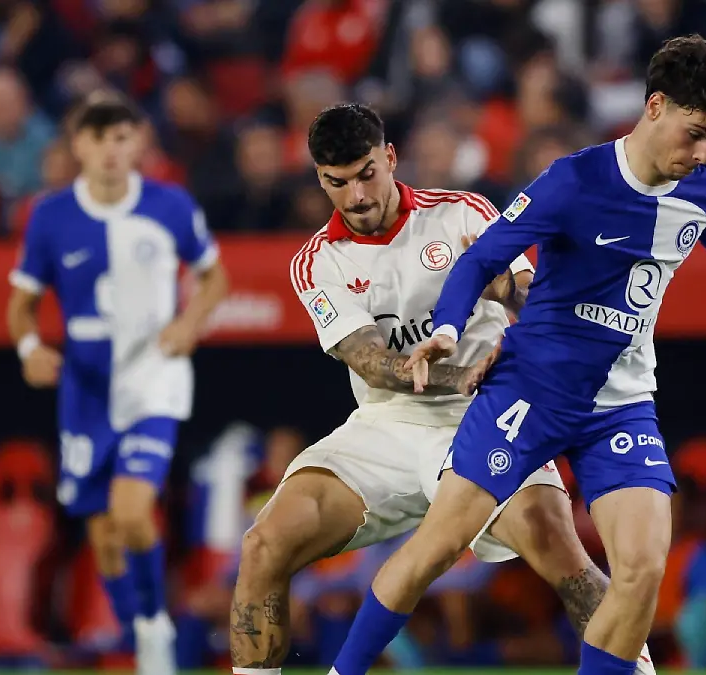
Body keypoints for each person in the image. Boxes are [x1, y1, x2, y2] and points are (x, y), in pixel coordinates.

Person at [327, 34, 706, 675]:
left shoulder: (703, 187)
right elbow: (481, 258)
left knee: (641, 569)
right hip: (530, 389)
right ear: (655, 107)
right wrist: (446, 327)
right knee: (437, 547)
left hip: (621, 406)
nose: (702, 154)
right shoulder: (573, 181)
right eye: (695, 133)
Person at [229, 103, 656, 675]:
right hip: (388, 429)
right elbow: (369, 360)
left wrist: (534, 298)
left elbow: (524, 289)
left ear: (390, 158)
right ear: (319, 179)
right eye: (337, 183)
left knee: (569, 565)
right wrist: (457, 372)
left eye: (366, 174)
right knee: (263, 546)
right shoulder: (317, 261)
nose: (356, 197)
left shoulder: (460, 214)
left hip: (487, 419)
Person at [5, 93, 229, 675]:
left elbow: (214, 276)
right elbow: (20, 305)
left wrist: (189, 322)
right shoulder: (51, 215)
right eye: (99, 138)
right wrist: (30, 349)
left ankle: (154, 628)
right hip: (85, 388)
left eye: (121, 137)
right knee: (104, 533)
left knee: (133, 512)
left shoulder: (170, 206)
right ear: (78, 146)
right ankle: (135, 626)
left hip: (154, 377)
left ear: (138, 144)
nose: (110, 150)